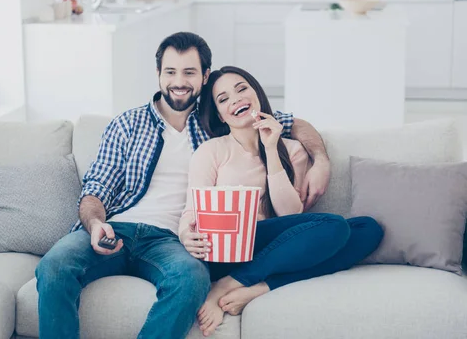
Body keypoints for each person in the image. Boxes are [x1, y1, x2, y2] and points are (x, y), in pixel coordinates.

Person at [35, 32, 331, 339]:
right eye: (170, 72)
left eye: (189, 72)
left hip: (174, 240)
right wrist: (95, 223)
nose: (179, 81)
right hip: (117, 228)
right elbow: (96, 188)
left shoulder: (216, 121)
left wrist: (320, 159)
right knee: (55, 266)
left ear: (204, 76)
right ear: (159, 75)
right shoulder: (128, 124)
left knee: (191, 279)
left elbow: (290, 122)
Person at [178, 66, 384, 337]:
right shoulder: (211, 151)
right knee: (333, 225)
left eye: (242, 89)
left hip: (277, 250)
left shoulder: (292, 149)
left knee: (368, 229)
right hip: (228, 248)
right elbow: (192, 209)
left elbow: (288, 213)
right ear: (219, 114)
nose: (236, 99)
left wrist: (272, 149)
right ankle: (232, 281)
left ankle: (254, 287)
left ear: (257, 94)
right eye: (224, 98)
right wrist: (184, 233)